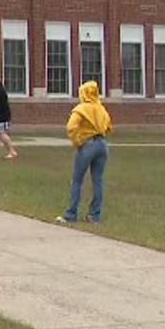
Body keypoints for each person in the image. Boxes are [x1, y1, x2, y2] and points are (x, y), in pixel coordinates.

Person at [57, 80, 112, 225]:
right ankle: (94, 215)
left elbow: (71, 126)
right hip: (102, 144)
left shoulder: (81, 109)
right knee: (97, 180)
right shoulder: (102, 109)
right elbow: (108, 126)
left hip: (87, 144)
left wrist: (77, 141)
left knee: (76, 180)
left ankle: (70, 214)